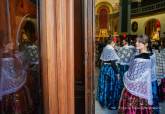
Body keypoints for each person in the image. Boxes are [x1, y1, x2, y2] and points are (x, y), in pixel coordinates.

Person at [119, 35, 159, 114]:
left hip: (134, 89)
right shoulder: (150, 56)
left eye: (140, 42)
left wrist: (125, 74)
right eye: (136, 41)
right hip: (144, 89)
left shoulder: (138, 58)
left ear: (146, 44)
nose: (136, 43)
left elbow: (132, 75)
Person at [0, 42, 33, 114]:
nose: (12, 45)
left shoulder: (13, 55)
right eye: (10, 44)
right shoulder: (8, 57)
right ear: (5, 45)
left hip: (14, 91)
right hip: (13, 92)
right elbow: (13, 73)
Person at [96, 36, 120, 110]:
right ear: (113, 42)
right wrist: (117, 73)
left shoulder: (105, 47)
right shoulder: (111, 49)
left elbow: (102, 60)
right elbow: (113, 63)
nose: (115, 44)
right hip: (110, 69)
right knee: (111, 86)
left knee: (104, 85)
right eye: (115, 43)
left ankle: (104, 101)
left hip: (104, 68)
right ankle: (110, 103)